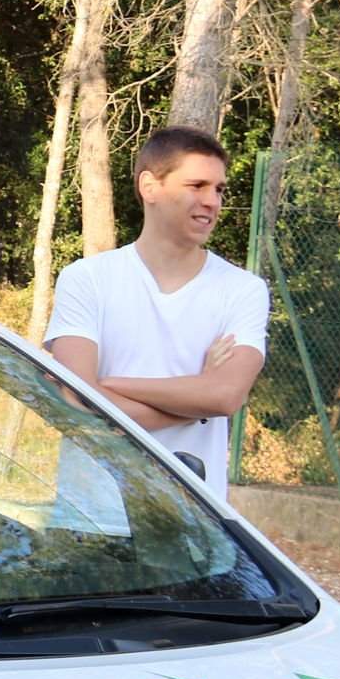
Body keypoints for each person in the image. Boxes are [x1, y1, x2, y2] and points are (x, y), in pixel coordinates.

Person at [45, 126, 268, 489]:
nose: (213, 201)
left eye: (219, 189)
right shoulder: (86, 279)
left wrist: (106, 386)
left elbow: (225, 396)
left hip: (194, 517)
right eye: (196, 186)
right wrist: (195, 398)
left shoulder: (243, 289)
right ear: (150, 187)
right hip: (93, 511)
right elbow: (76, 402)